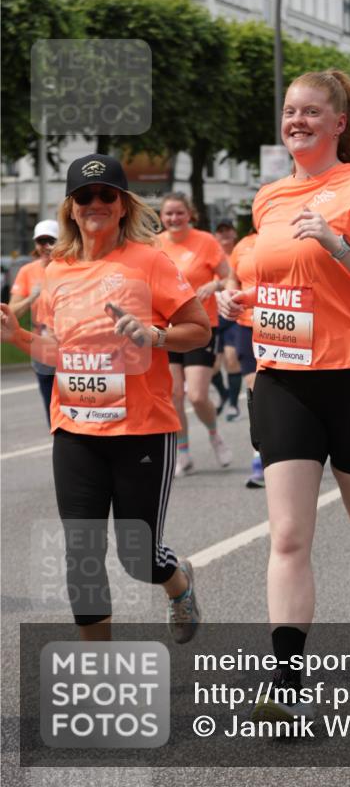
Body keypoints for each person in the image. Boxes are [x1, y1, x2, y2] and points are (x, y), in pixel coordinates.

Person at [218, 69, 350, 720]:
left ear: (338, 124)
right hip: (285, 382)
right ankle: (286, 687)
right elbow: (275, 293)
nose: (296, 120)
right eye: (289, 111)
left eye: (310, 112)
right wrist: (235, 302)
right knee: (289, 535)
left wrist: (338, 246)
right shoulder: (269, 199)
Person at [0, 154, 210, 642]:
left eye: (106, 195)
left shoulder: (150, 261)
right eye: (85, 197)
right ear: (72, 208)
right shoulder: (57, 270)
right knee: (81, 553)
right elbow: (54, 349)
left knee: (140, 558)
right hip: (75, 429)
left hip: (141, 429)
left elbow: (198, 330)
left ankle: (177, 584)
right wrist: (17, 336)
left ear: (122, 205)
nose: (95, 204)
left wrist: (154, 336)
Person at [158, 193, 232, 477]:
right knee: (174, 394)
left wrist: (214, 287)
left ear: (190, 214)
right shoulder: (155, 244)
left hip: (201, 326)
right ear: (162, 218)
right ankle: (184, 451)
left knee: (198, 395)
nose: (174, 219)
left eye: (179, 213)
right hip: (167, 327)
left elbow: (229, 277)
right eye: (169, 214)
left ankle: (214, 435)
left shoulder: (206, 241)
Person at [222, 229, 263, 487]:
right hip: (248, 326)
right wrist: (230, 295)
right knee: (255, 390)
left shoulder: (293, 236)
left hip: (288, 329)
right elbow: (231, 279)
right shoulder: (244, 245)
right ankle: (260, 455)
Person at [9, 219, 59, 423]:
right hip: (42, 351)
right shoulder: (27, 272)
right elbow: (11, 313)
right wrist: (32, 297)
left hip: (71, 350)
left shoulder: (73, 267)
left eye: (51, 240)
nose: (46, 246)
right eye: (41, 241)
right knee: (53, 417)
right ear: (35, 244)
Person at [211, 220, 243, 419]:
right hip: (214, 316)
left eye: (227, 230)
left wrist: (218, 284)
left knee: (232, 360)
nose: (224, 234)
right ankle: (223, 394)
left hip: (233, 315)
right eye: (220, 231)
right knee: (212, 367)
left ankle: (233, 405)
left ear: (233, 232)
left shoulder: (240, 252)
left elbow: (238, 277)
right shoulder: (212, 255)